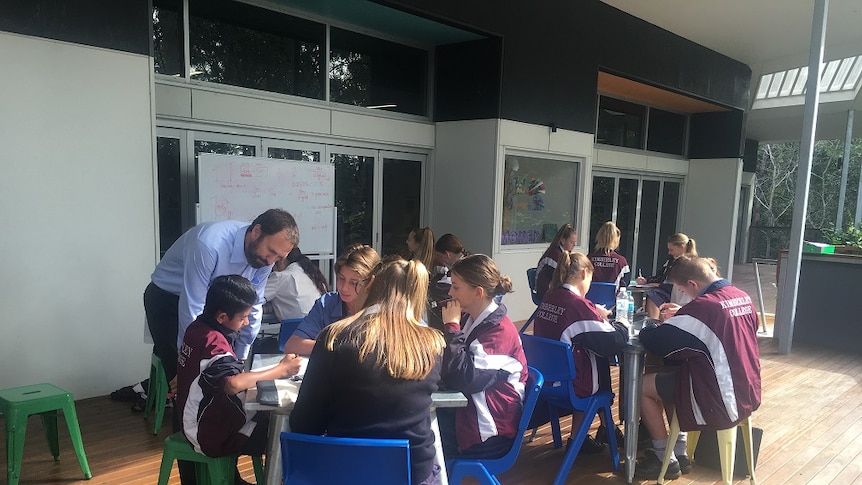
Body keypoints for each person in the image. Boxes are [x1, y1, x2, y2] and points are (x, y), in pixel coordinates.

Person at [290, 258, 446, 485]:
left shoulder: (335, 337)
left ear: (370, 284)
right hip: (411, 473)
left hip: (343, 471)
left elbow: (304, 422)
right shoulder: (433, 344)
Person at [635, 256, 761, 479]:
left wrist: (651, 325)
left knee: (641, 387)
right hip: (747, 390)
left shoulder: (703, 308)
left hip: (718, 394)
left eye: (683, 290)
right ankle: (680, 451)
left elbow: (658, 341)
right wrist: (684, 313)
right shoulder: (742, 297)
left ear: (692, 284)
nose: (686, 296)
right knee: (671, 376)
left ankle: (663, 456)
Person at [145, 208, 299, 384]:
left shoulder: (265, 259)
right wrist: (187, 360)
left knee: (223, 370)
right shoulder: (209, 245)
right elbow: (192, 306)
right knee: (185, 381)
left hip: (215, 306)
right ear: (256, 232)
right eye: (271, 252)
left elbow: (253, 305)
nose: (271, 261)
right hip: (169, 300)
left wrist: (241, 356)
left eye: (279, 257)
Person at [176, 275, 302, 479]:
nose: (245, 323)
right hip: (207, 434)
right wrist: (282, 370)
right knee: (284, 432)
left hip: (193, 420)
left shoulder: (196, 327)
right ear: (221, 317)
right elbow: (233, 384)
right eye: (243, 317)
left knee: (271, 418)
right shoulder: (215, 345)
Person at [533, 251, 628, 452]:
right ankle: (602, 429)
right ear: (584, 274)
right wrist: (622, 323)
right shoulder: (577, 305)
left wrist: (594, 312)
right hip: (570, 387)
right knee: (598, 360)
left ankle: (583, 436)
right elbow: (612, 341)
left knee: (589, 356)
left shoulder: (550, 297)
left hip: (545, 381)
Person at [438, 254, 527, 460]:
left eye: (456, 287)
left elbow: (464, 379)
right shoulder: (473, 319)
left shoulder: (498, 332)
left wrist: (451, 327)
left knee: (418, 438)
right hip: (468, 417)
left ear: (478, 292)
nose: (451, 292)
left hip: (488, 432)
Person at [282, 244, 380, 356]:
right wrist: (339, 349)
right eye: (341, 278)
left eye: (354, 283)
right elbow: (292, 345)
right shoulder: (326, 304)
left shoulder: (382, 309)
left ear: (371, 283)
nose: (344, 288)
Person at [635, 232, 696, 319]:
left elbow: (682, 284)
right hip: (668, 290)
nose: (670, 253)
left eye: (672, 250)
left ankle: (653, 321)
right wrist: (646, 280)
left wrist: (660, 285)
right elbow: (661, 275)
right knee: (652, 293)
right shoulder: (671, 260)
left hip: (677, 293)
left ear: (681, 247)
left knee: (653, 295)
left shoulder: (689, 264)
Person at [263, 247, 328, 321]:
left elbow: (255, 299)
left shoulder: (281, 277)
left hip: (296, 330)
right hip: (320, 326)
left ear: (282, 260)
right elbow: (294, 303)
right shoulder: (311, 274)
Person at [426, 233, 467, 331]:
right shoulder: (469, 261)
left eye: (440, 256)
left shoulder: (458, 270)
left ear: (447, 254)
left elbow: (440, 287)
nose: (440, 259)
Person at [535, 223, 578, 300]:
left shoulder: (562, 253)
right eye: (571, 242)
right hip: (545, 291)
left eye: (575, 242)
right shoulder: (555, 254)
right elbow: (563, 276)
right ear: (563, 241)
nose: (574, 245)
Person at [588, 221, 631, 288]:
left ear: (599, 237)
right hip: (612, 298)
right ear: (616, 240)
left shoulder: (588, 259)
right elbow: (625, 284)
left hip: (590, 297)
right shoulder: (622, 262)